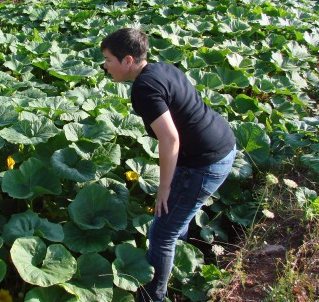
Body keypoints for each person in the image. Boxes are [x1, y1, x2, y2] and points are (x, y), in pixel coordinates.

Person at [100, 28, 236, 302]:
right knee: (175, 219)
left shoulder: (144, 89)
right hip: (222, 145)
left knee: (161, 232)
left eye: (108, 60)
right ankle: (177, 261)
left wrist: (164, 187)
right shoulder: (162, 68)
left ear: (128, 61)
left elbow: (170, 138)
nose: (104, 66)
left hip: (205, 163)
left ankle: (153, 297)